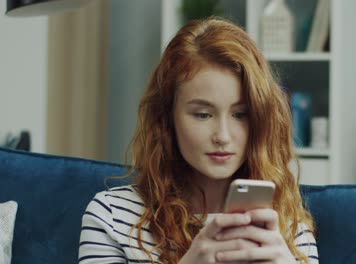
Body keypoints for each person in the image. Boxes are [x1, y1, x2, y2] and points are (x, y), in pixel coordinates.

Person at [79, 17, 319, 264]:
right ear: (167, 117)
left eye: (240, 115)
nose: (223, 136)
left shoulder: (290, 229)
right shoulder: (111, 216)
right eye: (203, 115)